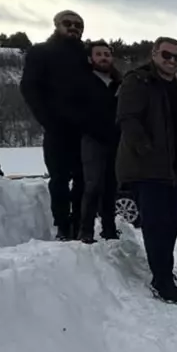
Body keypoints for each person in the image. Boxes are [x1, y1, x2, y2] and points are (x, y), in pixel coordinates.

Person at [116, 37, 177, 303]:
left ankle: (164, 270)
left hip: (176, 169)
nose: (171, 61)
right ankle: (160, 280)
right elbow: (128, 118)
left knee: (173, 224)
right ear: (154, 53)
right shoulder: (138, 81)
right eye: (167, 55)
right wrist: (145, 150)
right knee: (155, 225)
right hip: (148, 168)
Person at [20, 10, 89, 240]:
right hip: (57, 128)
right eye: (67, 23)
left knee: (84, 179)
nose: (73, 28)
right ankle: (62, 225)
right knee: (59, 179)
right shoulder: (41, 52)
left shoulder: (86, 55)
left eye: (78, 25)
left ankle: (79, 222)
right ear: (56, 25)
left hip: (85, 128)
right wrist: (48, 120)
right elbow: (29, 87)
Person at [75, 40, 122, 243]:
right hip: (92, 138)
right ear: (90, 58)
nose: (104, 57)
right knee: (93, 184)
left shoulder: (119, 83)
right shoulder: (82, 81)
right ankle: (85, 231)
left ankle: (109, 229)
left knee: (112, 186)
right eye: (99, 54)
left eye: (107, 54)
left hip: (116, 139)